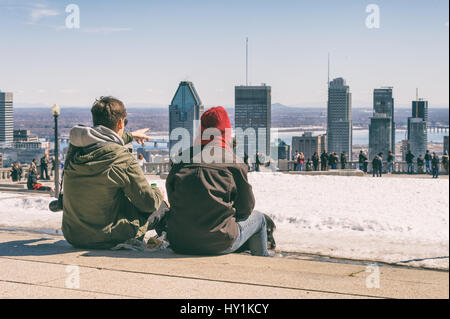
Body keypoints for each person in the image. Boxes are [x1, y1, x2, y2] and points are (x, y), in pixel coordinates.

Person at [62, 96, 167, 249]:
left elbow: (102, 141)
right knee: (161, 207)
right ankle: (164, 243)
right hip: (106, 237)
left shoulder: (75, 150)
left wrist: (130, 136)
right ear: (120, 123)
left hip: (74, 235)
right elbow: (148, 203)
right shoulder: (122, 158)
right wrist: (158, 192)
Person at [166, 106, 272, 257]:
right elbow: (246, 208)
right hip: (219, 243)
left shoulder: (181, 159)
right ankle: (263, 261)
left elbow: (172, 198)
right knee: (259, 219)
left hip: (179, 241)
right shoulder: (234, 163)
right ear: (226, 131)